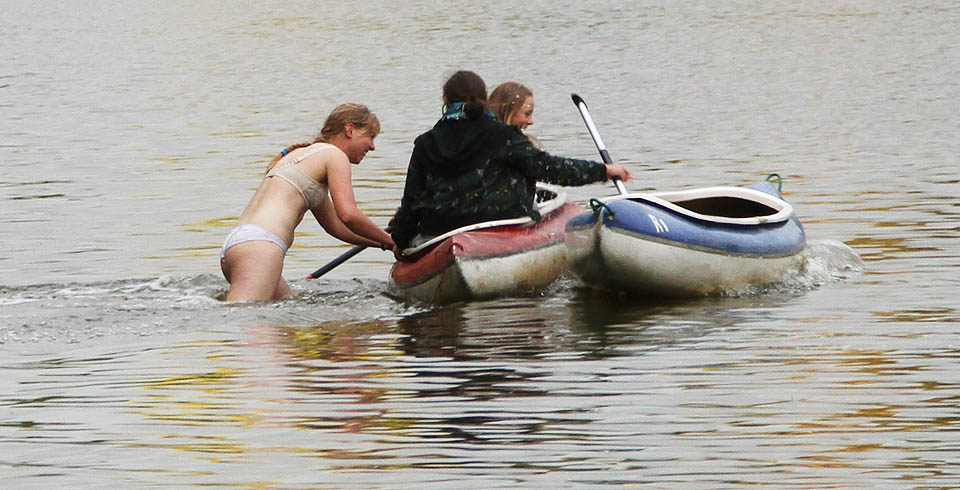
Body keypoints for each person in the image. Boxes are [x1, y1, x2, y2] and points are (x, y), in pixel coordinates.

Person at [390, 70, 632, 255]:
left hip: (441, 229)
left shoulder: (425, 143)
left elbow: (411, 201)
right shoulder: (504, 136)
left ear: (445, 100)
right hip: (498, 223)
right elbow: (549, 168)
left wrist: (399, 240)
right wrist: (603, 171)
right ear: (485, 99)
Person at [221, 103, 395, 302]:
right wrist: (389, 241)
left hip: (238, 245)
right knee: (249, 325)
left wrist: (384, 243)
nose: (372, 147)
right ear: (350, 130)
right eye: (370, 137)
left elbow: (337, 227)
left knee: (287, 303)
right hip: (261, 249)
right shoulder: (334, 155)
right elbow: (349, 214)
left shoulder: (303, 157)